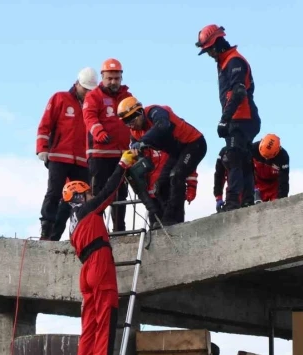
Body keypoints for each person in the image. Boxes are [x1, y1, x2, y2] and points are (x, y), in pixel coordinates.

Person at [63, 150, 137, 355]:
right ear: (79, 196)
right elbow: (108, 192)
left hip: (86, 270)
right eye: (86, 193)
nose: (90, 195)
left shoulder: (72, 224)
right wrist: (122, 165)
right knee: (106, 318)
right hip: (99, 263)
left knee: (89, 325)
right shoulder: (87, 210)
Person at [196, 24, 260, 211]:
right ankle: (247, 199)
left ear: (216, 44)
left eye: (208, 50)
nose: (208, 54)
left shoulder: (233, 61)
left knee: (233, 156)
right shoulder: (226, 61)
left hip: (241, 118)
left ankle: (233, 202)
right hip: (243, 117)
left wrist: (225, 119)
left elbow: (238, 92)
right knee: (244, 158)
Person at [117, 96, 206, 225]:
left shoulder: (154, 111)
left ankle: (174, 220)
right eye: (126, 122)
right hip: (177, 152)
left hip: (193, 144)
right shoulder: (135, 133)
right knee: (160, 185)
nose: (131, 125)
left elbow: (163, 125)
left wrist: (142, 142)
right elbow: (137, 152)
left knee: (176, 175)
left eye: (131, 120)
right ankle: (166, 219)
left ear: (139, 112)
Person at [36, 68, 97, 241]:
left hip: (82, 161)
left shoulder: (92, 105)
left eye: (90, 90)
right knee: (54, 193)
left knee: (80, 198)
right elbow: (45, 124)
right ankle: (46, 232)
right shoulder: (60, 98)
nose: (87, 93)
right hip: (58, 156)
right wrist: (42, 147)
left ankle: (77, 234)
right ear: (77, 83)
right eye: (85, 89)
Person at [83, 59, 133, 233]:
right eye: (110, 78)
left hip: (121, 154)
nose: (113, 82)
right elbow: (89, 117)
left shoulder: (127, 97)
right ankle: (96, 230)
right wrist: (99, 132)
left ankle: (119, 229)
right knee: (99, 194)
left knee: (121, 193)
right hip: (99, 155)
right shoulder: (93, 96)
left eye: (116, 78)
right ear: (102, 77)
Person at [214, 135, 289, 208]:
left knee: (275, 208)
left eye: (267, 157)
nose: (265, 159)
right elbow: (219, 175)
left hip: (273, 186)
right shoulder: (251, 149)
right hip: (256, 182)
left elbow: (284, 182)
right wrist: (218, 197)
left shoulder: (283, 158)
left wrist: (282, 202)